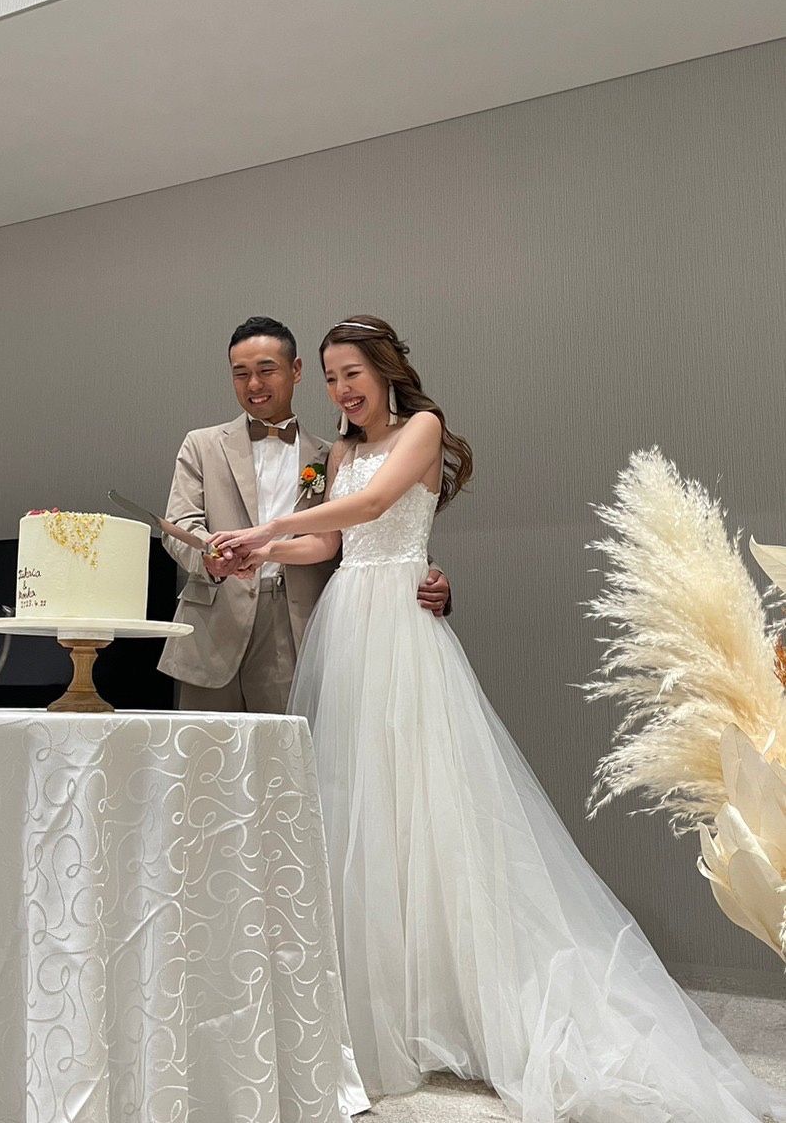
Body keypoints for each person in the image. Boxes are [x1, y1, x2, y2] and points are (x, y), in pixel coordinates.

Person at [211, 316, 786, 1121]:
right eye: (333, 378)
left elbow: (374, 505)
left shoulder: (422, 428)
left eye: (353, 374)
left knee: (423, 803)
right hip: (346, 626)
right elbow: (331, 545)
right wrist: (262, 553)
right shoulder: (335, 453)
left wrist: (270, 524)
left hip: (398, 630)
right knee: (355, 805)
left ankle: (448, 999)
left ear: (385, 371)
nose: (342, 390)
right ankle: (375, 1004)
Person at [158, 316, 450, 711]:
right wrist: (227, 555)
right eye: (241, 373)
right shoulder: (203, 445)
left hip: (298, 625)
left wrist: (429, 570)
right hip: (216, 625)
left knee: (300, 746)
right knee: (202, 746)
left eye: (266, 370)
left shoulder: (327, 452)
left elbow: (376, 513)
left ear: (295, 371)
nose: (254, 384)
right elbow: (179, 526)